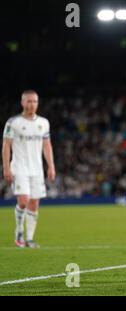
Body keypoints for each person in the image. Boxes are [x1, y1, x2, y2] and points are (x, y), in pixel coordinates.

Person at [2, 90, 56, 248]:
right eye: (29, 101)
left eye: (35, 101)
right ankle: (19, 232)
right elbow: (6, 145)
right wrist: (6, 168)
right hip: (19, 168)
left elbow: (47, 145)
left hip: (37, 169)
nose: (32, 104)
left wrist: (51, 166)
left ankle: (30, 238)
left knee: (34, 204)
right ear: (22, 102)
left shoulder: (44, 123)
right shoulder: (13, 122)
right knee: (24, 201)